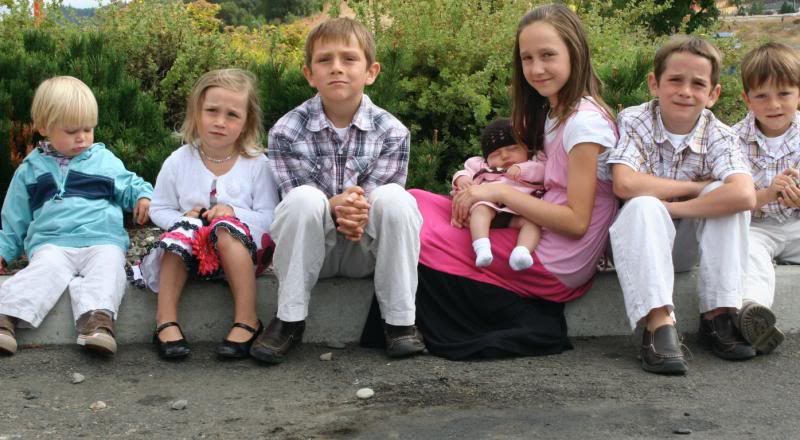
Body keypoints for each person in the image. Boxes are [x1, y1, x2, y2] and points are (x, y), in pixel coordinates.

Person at [403, 4, 618, 360]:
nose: (536, 68)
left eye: (548, 55)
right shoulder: (554, 111)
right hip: (534, 222)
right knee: (412, 201)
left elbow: (576, 221)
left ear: (574, 52)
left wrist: (498, 191)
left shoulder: (585, 124)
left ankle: (406, 323)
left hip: (557, 257)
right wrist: (473, 188)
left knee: (422, 235)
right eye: (527, 58)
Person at [252, 17, 424, 364]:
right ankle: (289, 320)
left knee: (397, 200)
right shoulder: (287, 130)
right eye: (324, 60)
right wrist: (337, 205)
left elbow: (377, 201)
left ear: (371, 71)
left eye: (349, 59)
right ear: (309, 74)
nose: (336, 68)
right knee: (303, 199)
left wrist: (354, 207)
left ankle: (400, 322)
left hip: (366, 251)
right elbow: (296, 199)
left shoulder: (393, 132)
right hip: (314, 251)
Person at [608, 35, 758, 375]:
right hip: (637, 242)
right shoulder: (635, 120)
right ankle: (658, 324)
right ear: (654, 83)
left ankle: (719, 313)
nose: (685, 91)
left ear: (713, 94)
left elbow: (744, 195)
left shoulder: (720, 135)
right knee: (643, 205)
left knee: (723, 194)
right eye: (675, 80)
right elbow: (624, 183)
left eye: (698, 84)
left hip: (685, 244)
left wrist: (672, 207)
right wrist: (694, 188)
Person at [0, 76, 153, 356]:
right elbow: (14, 219)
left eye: (88, 129)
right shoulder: (30, 169)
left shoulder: (103, 161)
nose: (82, 137)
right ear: (44, 127)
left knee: (109, 269)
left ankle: (97, 323)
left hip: (102, 239)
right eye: (71, 131)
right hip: (52, 243)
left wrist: (144, 197)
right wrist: (3, 252)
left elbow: (130, 184)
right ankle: (5, 318)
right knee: (43, 272)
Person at [134, 69, 279, 359]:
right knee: (182, 232)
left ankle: (248, 319)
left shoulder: (257, 164)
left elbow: (271, 217)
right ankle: (165, 320)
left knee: (225, 229)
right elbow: (159, 208)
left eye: (232, 115)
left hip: (243, 255)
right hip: (192, 258)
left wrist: (234, 213)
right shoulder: (178, 161)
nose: (220, 122)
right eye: (212, 111)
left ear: (247, 122)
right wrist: (184, 219)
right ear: (196, 113)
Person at [732, 42, 800, 355]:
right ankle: (752, 311)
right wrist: (768, 193)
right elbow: (732, 197)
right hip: (758, 225)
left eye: (784, 93)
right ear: (747, 99)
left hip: (796, 224)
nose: (774, 104)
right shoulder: (733, 139)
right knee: (750, 253)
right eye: (761, 96)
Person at [453, 118, 547, 271]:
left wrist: (521, 169)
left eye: (512, 149)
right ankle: (482, 247)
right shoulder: (483, 166)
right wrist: (461, 178)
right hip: (491, 207)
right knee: (481, 209)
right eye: (496, 154)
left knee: (534, 223)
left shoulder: (533, 164)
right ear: (487, 159)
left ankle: (522, 252)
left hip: (518, 212)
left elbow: (541, 172)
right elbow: (466, 171)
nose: (504, 156)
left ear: (526, 150)